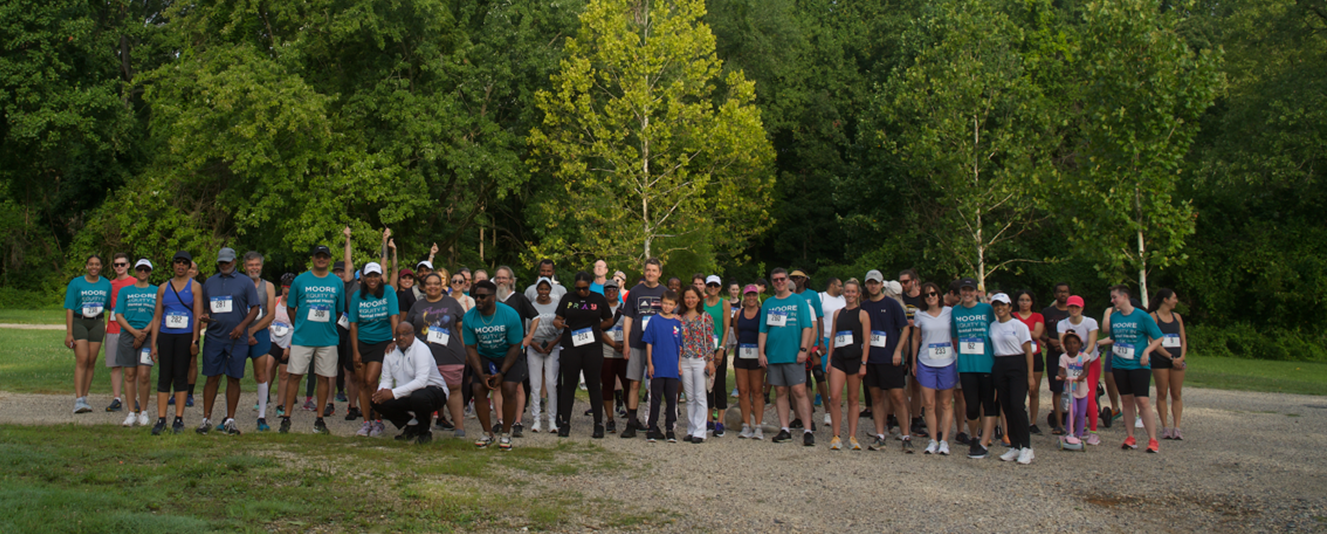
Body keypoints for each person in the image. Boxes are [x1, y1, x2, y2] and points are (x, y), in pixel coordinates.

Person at [281, 243, 347, 435]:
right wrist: (299, 325)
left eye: (324, 256)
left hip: (328, 339)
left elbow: (339, 310)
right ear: (312, 258)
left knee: (324, 377)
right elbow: (290, 307)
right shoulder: (300, 281)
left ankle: (319, 419)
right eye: (318, 256)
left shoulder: (336, 282)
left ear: (329, 259)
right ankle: (286, 418)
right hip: (303, 337)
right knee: (295, 375)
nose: (321, 259)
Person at [197, 247, 261, 435]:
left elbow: (255, 308)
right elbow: (207, 308)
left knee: (234, 378)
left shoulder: (245, 282)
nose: (224, 265)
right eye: (221, 262)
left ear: (234, 262)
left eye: (227, 262)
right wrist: (205, 317)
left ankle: (230, 419)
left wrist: (242, 327)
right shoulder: (209, 283)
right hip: (214, 337)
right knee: (212, 377)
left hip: (237, 338)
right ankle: (206, 419)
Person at [463, 280, 526, 451]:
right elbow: (470, 347)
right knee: (478, 389)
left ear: (493, 297)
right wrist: (480, 373)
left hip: (509, 355)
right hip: (485, 355)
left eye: (483, 296)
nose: (478, 300)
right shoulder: (469, 317)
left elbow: (515, 345)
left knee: (509, 388)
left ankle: (505, 434)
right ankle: (487, 433)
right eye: (476, 296)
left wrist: (502, 372)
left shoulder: (510, 315)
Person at [759, 268, 816, 447]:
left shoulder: (798, 301)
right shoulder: (769, 303)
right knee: (781, 392)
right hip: (775, 355)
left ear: (787, 280)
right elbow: (763, 330)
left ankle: (807, 430)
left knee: (799, 391)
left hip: (794, 354)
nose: (779, 282)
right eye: (775, 280)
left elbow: (807, 326)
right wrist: (761, 352)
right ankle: (785, 429)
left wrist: (804, 349)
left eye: (782, 279)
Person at [405, 273, 467, 438]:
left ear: (442, 286)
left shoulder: (451, 302)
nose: (432, 287)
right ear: (424, 286)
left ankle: (459, 428)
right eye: (429, 284)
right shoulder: (417, 305)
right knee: (423, 392)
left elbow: (461, 327)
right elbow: (407, 328)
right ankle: (425, 428)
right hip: (423, 357)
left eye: (436, 284)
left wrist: (465, 349)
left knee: (454, 389)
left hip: (450, 354)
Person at [553, 272, 614, 438]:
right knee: (569, 385)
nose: (581, 292)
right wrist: (558, 323)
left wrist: (596, 328)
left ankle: (598, 424)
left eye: (585, 289)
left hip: (592, 346)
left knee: (594, 385)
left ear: (590, 285)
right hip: (571, 345)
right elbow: (558, 318)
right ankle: (565, 422)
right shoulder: (567, 298)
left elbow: (609, 320)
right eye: (578, 289)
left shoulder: (598, 299)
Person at [149, 251, 205, 435]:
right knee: (164, 377)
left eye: (184, 263)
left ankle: (179, 419)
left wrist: (195, 340)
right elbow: (157, 317)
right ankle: (161, 418)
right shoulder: (163, 288)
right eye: (177, 262)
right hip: (166, 335)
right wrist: (153, 344)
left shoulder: (195, 287)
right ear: (172, 265)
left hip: (185, 335)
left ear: (189, 267)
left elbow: (198, 316)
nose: (180, 266)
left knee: (181, 376)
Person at [1106, 285, 1164, 452]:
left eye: (1114, 297)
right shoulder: (1114, 317)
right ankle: (1130, 437)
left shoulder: (1142, 316)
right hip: (1119, 364)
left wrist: (1147, 350)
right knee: (1126, 401)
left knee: (1143, 401)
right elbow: (1113, 339)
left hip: (1139, 364)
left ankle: (1153, 439)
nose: (1112, 300)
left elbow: (1158, 337)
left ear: (1125, 297)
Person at [860, 270, 913, 452]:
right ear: (866, 285)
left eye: (876, 283)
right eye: (870, 283)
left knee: (897, 397)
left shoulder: (892, 304)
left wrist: (898, 351)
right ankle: (880, 435)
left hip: (891, 358)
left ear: (882, 284)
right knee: (876, 398)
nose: (873, 286)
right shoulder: (864, 306)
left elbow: (905, 329)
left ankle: (906, 436)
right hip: (872, 359)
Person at [371, 323, 449, 444]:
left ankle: (425, 432)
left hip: (434, 391)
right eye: (398, 335)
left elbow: (421, 382)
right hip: (407, 393)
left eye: (405, 334)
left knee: (419, 397)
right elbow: (386, 379)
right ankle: (412, 425)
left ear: (413, 334)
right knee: (376, 401)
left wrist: (392, 393)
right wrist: (382, 393)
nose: (401, 337)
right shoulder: (390, 351)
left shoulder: (421, 350)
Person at [349, 261, 400, 437]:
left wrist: (395, 339)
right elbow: (353, 324)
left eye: (375, 276)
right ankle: (366, 422)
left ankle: (378, 420)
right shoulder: (357, 296)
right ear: (363, 277)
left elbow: (394, 316)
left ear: (380, 277)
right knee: (361, 382)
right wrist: (355, 351)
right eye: (369, 276)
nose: (372, 279)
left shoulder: (388, 292)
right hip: (362, 341)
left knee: (371, 380)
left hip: (382, 341)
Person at [619, 258, 668, 439]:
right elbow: (628, 319)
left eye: (654, 270)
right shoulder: (635, 292)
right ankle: (631, 422)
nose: (650, 273)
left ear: (660, 273)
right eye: (648, 270)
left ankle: (652, 423)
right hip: (637, 344)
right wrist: (626, 343)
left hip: (658, 347)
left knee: (655, 385)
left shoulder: (665, 292)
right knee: (635, 383)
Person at [952, 277, 997, 459]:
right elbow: (955, 336)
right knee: (971, 406)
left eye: (970, 290)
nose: (967, 293)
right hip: (966, 364)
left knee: (987, 403)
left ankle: (985, 441)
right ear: (960, 292)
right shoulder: (956, 311)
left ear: (977, 292)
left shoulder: (986, 309)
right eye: (964, 290)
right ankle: (974, 436)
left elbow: (996, 331)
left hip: (986, 363)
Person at [989, 292, 1036, 464]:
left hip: (1017, 363)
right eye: (996, 305)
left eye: (1002, 305)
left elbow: (1028, 351)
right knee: (1007, 406)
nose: (999, 308)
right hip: (1000, 364)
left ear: (1009, 306)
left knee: (1017, 406)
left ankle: (1027, 447)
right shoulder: (993, 326)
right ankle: (1015, 445)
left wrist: (1030, 375)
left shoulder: (1019, 326)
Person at [912, 282, 956, 455]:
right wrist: (914, 361)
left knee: (945, 403)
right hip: (926, 361)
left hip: (947, 361)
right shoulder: (919, 314)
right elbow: (916, 338)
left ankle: (944, 440)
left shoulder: (949, 312)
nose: (930, 297)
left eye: (933, 294)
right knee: (929, 404)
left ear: (939, 295)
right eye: (926, 295)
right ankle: (933, 439)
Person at [65, 254, 112, 414]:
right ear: (86, 266)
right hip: (79, 322)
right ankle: (78, 400)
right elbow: (70, 308)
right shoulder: (76, 283)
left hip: (97, 323)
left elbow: (109, 306)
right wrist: (69, 332)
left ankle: (85, 397)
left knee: (91, 361)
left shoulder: (106, 284)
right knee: (82, 359)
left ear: (101, 266)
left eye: (97, 264)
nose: (94, 267)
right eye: (91, 264)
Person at [827, 279, 870, 450]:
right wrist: (829, 359)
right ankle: (836, 436)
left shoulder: (863, 314)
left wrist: (863, 363)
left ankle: (852, 436)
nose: (850, 294)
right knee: (835, 396)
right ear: (843, 293)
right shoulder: (838, 313)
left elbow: (866, 341)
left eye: (853, 292)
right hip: (838, 359)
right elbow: (832, 337)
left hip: (855, 360)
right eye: (847, 291)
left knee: (853, 399)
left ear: (858, 294)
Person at [114, 259, 157, 427]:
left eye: (146, 269)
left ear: (150, 272)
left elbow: (158, 315)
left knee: (144, 374)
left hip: (147, 336)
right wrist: (134, 333)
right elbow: (119, 315)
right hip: (128, 335)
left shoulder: (156, 290)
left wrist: (144, 332)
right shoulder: (125, 291)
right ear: (136, 270)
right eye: (140, 269)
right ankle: (131, 412)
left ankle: (143, 411)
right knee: (130, 374)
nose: (143, 272)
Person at [1056, 295, 1101, 444]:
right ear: (1067, 308)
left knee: (1089, 395)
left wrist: (1081, 359)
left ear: (1082, 308)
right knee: (1072, 393)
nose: (1074, 309)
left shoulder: (1090, 322)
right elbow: (1063, 344)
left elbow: (1091, 343)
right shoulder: (1062, 324)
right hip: (1071, 362)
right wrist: (1070, 358)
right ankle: (1074, 430)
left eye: (1077, 307)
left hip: (1090, 361)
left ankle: (1093, 431)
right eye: (1071, 307)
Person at [674, 286, 714, 443]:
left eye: (693, 297)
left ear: (699, 299)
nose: (690, 300)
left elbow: (710, 340)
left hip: (700, 360)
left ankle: (700, 431)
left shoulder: (705, 318)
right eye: (687, 297)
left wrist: (710, 361)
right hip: (684, 360)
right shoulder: (679, 317)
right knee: (689, 397)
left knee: (700, 396)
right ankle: (691, 429)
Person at [642, 289, 683, 443]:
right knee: (655, 399)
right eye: (665, 303)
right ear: (661, 303)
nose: (667, 306)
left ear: (675, 305)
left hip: (672, 367)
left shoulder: (677, 323)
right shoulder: (654, 321)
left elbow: (679, 346)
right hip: (657, 366)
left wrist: (679, 365)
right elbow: (649, 343)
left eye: (670, 304)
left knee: (672, 399)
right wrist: (650, 364)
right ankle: (652, 427)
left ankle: (670, 428)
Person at [243, 251, 278, 432]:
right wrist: (244, 331)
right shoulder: (239, 284)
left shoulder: (268, 286)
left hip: (260, 331)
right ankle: (228, 415)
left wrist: (253, 331)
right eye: (251, 265)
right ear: (245, 267)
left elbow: (270, 313)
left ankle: (262, 415)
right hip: (240, 333)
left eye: (257, 265)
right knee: (233, 374)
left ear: (261, 266)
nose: (254, 268)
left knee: (261, 374)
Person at [789, 270, 826, 431]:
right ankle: (798, 416)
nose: (795, 280)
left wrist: (818, 342)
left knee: (811, 380)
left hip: (809, 345)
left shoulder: (811, 298)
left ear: (804, 280)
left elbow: (818, 320)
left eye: (798, 278)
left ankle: (811, 416)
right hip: (791, 346)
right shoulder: (786, 301)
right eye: (792, 278)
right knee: (794, 383)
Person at [525, 278, 562, 434]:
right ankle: (536, 419)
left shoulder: (556, 307)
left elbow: (562, 330)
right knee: (535, 384)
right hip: (535, 346)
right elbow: (526, 330)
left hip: (552, 347)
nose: (544, 292)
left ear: (550, 290)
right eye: (541, 289)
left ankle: (552, 419)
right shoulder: (531, 307)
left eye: (547, 289)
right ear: (537, 290)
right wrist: (534, 345)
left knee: (551, 383)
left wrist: (552, 344)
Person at [1151, 288, 1187, 440]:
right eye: (1174, 298)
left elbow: (1183, 340)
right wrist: (1170, 357)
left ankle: (1177, 427)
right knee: (1162, 393)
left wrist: (1180, 357)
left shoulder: (1177, 317)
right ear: (1165, 300)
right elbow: (1154, 341)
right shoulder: (1153, 317)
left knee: (1176, 394)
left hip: (1178, 360)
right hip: (1161, 359)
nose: (1176, 301)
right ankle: (1165, 426)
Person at [732, 284, 767, 439]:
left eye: (754, 295)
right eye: (748, 295)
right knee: (743, 391)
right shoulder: (739, 314)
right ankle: (746, 425)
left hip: (756, 356)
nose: (751, 298)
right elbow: (737, 332)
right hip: (741, 354)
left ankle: (758, 426)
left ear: (757, 297)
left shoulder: (762, 313)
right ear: (744, 297)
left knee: (757, 391)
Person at [1011, 290, 1046, 436]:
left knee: (1034, 390)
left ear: (1032, 302)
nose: (1024, 303)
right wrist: (1028, 330)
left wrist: (1019, 330)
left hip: (1035, 355)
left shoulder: (1038, 316)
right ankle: (1017, 420)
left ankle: (1033, 422)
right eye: (1021, 300)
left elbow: (1037, 334)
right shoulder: (1012, 316)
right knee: (1018, 391)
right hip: (1017, 355)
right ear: (1017, 302)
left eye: (1027, 300)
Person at [104, 253, 135, 413]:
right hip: (113, 328)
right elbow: (107, 306)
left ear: (128, 265)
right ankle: (117, 398)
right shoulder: (110, 285)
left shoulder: (135, 283)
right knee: (115, 365)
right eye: (116, 265)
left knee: (132, 365)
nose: (119, 267)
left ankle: (134, 398)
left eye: (122, 264)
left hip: (130, 329)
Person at [701, 275, 732, 436]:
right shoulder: (702, 304)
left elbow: (726, 328)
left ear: (720, 287)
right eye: (710, 285)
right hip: (704, 349)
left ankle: (720, 421)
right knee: (707, 385)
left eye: (716, 285)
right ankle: (708, 419)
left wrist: (722, 348)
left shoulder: (724, 304)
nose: (712, 287)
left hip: (718, 348)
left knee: (719, 384)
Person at [898, 269, 927, 437]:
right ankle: (898, 416)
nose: (903, 285)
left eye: (906, 282)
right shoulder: (900, 298)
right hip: (902, 343)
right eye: (901, 282)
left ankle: (916, 418)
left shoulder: (923, 298)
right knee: (899, 383)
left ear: (914, 281)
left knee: (916, 383)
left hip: (919, 342)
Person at [1040, 283, 1072, 435]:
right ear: (1055, 295)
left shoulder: (1073, 311)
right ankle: (1058, 423)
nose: (1062, 294)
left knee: (1074, 388)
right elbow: (1040, 332)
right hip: (1054, 354)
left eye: (1065, 292)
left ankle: (1075, 422)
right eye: (1059, 292)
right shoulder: (1048, 312)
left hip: (1072, 355)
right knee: (1057, 389)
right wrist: (1048, 341)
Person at [599, 280, 628, 433]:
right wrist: (613, 344)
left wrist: (624, 344)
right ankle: (610, 418)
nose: (611, 292)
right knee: (608, 386)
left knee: (628, 386)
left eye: (614, 289)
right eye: (608, 289)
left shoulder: (625, 308)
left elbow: (630, 326)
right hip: (607, 352)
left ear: (618, 291)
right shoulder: (599, 308)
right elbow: (598, 329)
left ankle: (632, 417)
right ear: (604, 292)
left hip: (624, 352)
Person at [1056, 330, 1094, 442]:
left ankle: (1080, 434)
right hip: (1070, 390)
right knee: (1073, 411)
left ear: (1080, 344)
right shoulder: (1064, 357)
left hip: (1082, 389)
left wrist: (1082, 376)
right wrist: (1062, 375)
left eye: (1074, 343)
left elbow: (1086, 371)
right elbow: (1061, 370)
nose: (1072, 346)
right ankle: (1069, 432)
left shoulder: (1084, 356)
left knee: (1082, 413)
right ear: (1065, 346)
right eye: (1069, 343)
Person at [269, 273, 296, 422]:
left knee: (284, 374)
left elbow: (297, 327)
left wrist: (289, 346)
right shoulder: (275, 301)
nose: (287, 294)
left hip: (287, 341)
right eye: (285, 291)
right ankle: (263, 396)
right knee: (267, 365)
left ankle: (280, 404)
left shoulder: (297, 306)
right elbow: (268, 316)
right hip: (273, 339)